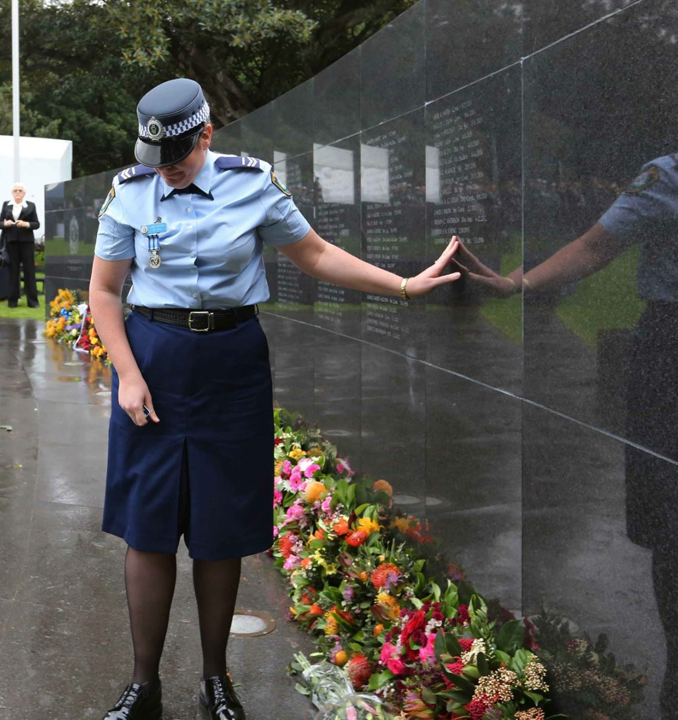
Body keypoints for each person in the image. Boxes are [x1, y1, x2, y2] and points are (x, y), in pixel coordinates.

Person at [89, 78, 462, 720]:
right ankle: (143, 685)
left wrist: (402, 285)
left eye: (178, 155)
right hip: (153, 360)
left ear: (207, 134)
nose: (167, 171)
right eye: (158, 159)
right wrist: (126, 372)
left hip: (232, 365)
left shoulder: (252, 184)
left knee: (220, 528)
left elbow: (314, 255)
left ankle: (215, 680)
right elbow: (104, 292)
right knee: (148, 530)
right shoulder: (129, 191)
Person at [454, 151, 678, 720]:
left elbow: (596, 246)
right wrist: (519, 282)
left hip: (671, 348)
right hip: (672, 347)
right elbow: (596, 246)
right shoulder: (677, 174)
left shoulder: (675, 173)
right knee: (669, 518)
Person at [0, 182, 40, 308]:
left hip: (27, 242)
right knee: (13, 271)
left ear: (24, 193)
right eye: (15, 190)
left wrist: (26, 224)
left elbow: (36, 224)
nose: (17, 193)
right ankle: (13, 301)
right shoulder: (6, 205)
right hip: (11, 242)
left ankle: (32, 301)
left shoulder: (30, 206)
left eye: (20, 190)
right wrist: (6, 224)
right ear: (12, 192)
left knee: (29, 271)